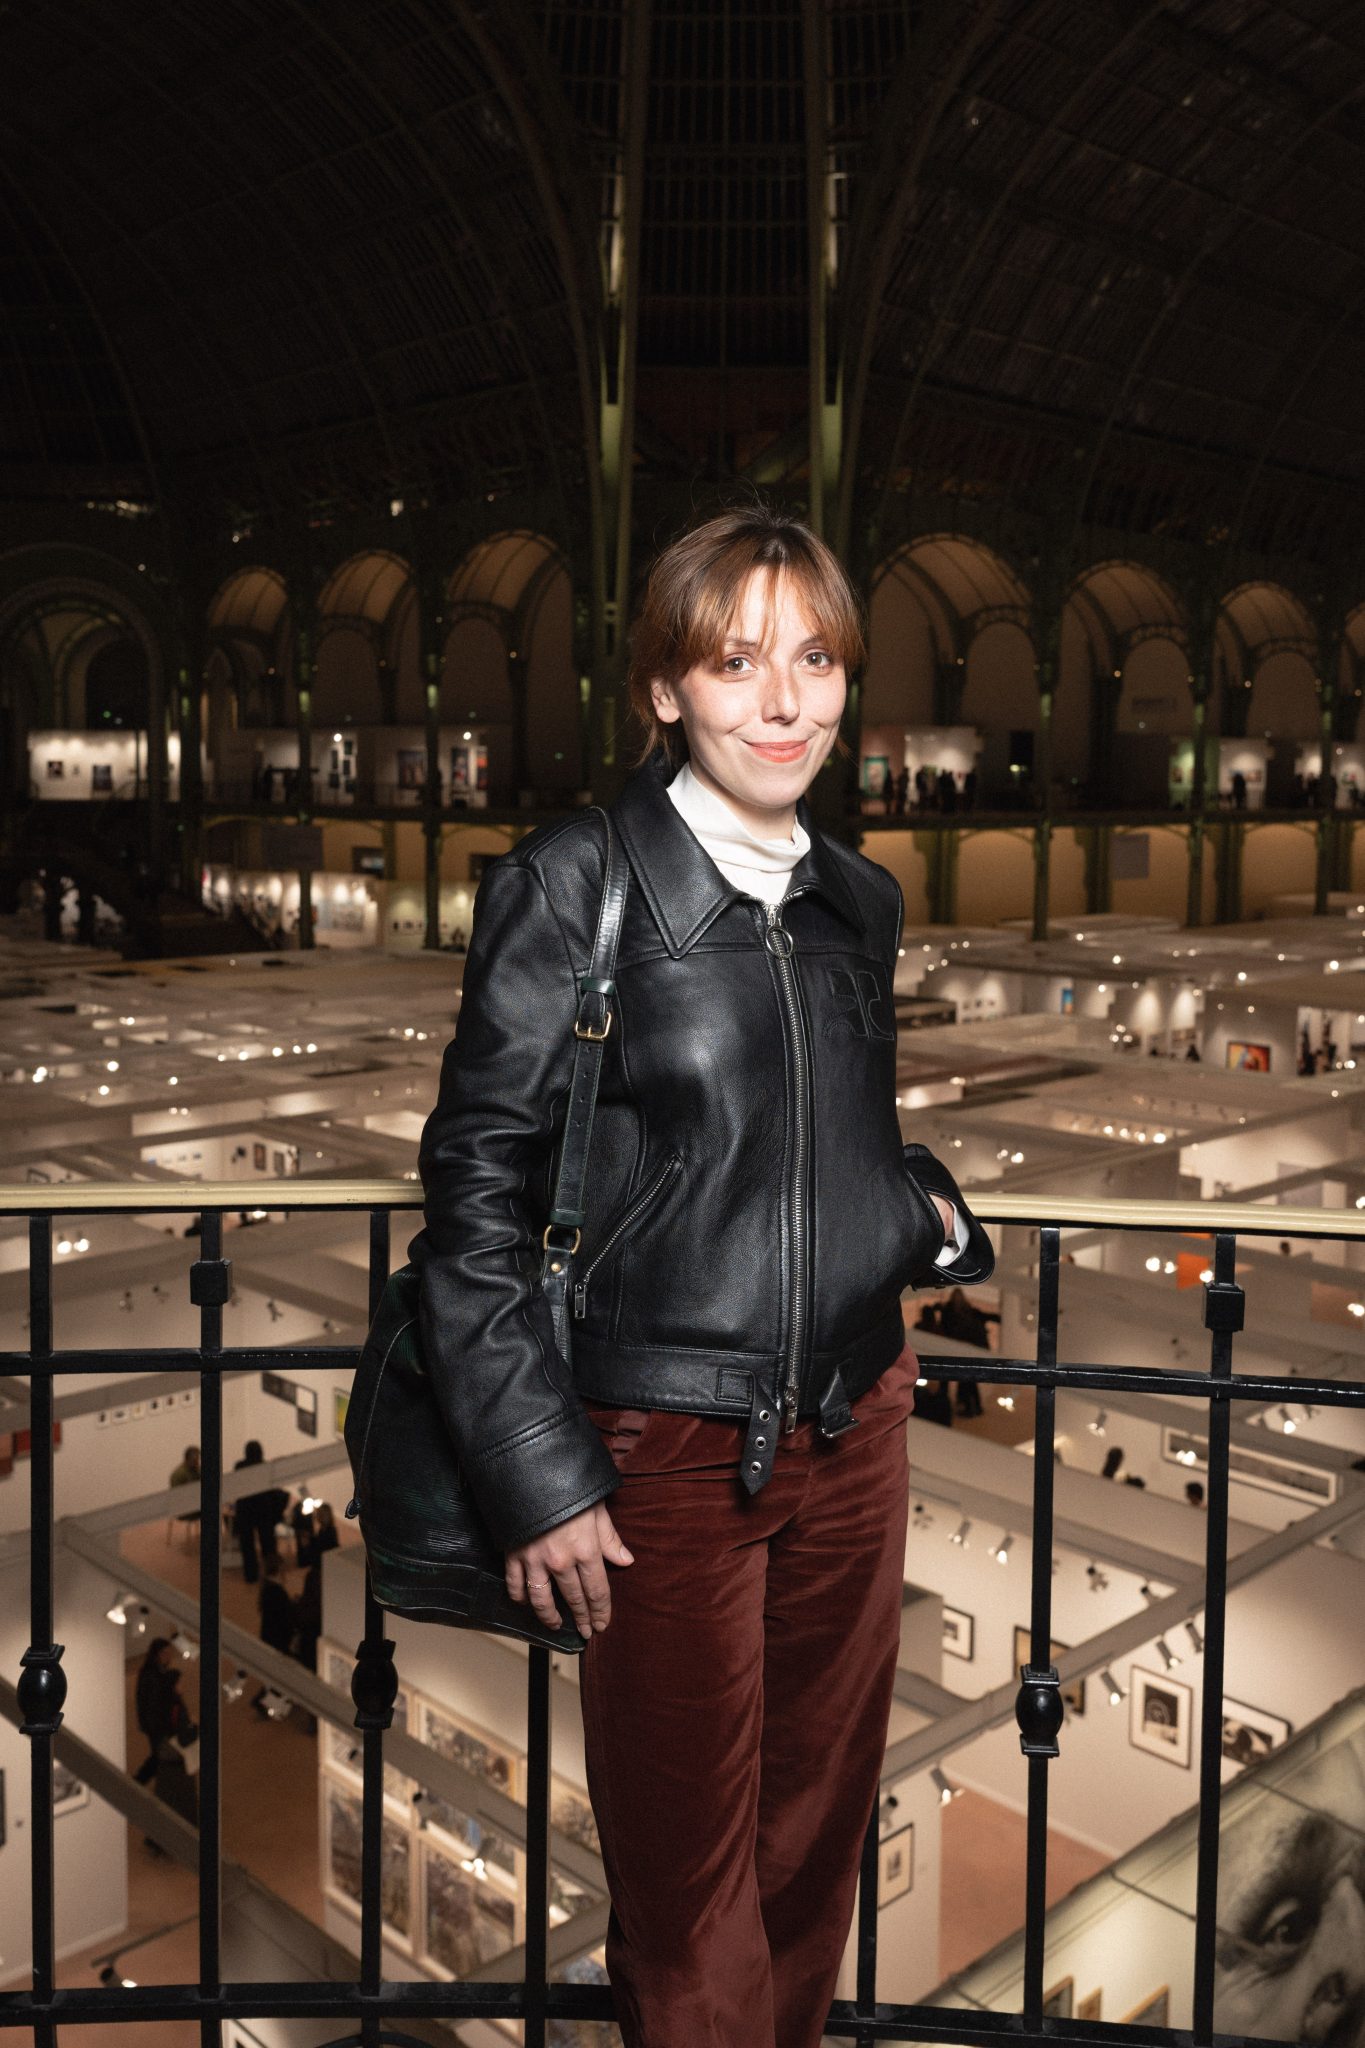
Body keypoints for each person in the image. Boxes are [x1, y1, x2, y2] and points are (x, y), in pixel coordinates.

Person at [408, 506, 993, 2048]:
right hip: (659, 1452)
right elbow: (471, 1192)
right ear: (664, 687)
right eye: (735, 663)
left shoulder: (859, 902)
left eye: (814, 660)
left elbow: (826, 1134)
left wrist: (916, 1222)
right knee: (684, 1893)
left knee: (813, 1857)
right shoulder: (575, 884)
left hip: (855, 1419)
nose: (785, 702)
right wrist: (536, 1466)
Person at [231, 1441, 290, 1585]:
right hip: (263, 1511)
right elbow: (271, 1490)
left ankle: (251, 1576)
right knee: (268, 1545)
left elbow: (237, 1486)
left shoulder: (239, 1467)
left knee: (248, 1546)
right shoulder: (265, 1467)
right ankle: (271, 1574)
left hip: (245, 1511)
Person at [252, 1554, 298, 1714]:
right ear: (278, 1569)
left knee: (276, 1674)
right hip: (277, 1639)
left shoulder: (268, 1589)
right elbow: (283, 1618)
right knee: (280, 1674)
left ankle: (263, 1701)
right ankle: (263, 1702)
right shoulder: (276, 1591)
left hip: (270, 1636)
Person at [169, 1443, 201, 1525]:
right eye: (195, 1460)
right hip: (184, 1510)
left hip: (195, 1504)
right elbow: (179, 1497)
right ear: (188, 1459)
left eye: (198, 1459)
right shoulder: (179, 1474)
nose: (197, 1462)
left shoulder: (197, 1470)